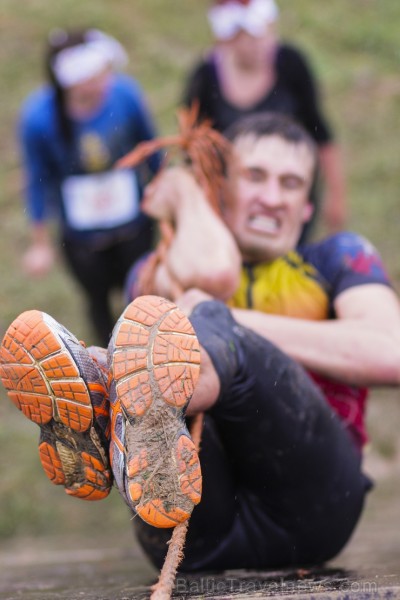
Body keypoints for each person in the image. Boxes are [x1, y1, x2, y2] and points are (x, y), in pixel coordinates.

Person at [2, 113, 400, 574]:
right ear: (219, 188)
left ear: (307, 207)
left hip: (314, 507)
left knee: (204, 320)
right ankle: (122, 407)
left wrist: (233, 323)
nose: (272, 198)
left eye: (291, 184)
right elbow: (211, 272)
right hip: (188, 524)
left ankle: (103, 396)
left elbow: (390, 351)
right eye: (255, 177)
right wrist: (191, 195)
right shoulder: (166, 262)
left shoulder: (338, 258)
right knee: (169, 329)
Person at [19, 28, 161, 346]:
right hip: (82, 242)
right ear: (72, 81)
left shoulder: (125, 96)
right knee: (97, 302)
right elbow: (38, 180)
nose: (104, 82)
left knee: (140, 298)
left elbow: (151, 150)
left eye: (105, 73)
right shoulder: (39, 119)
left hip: (134, 228)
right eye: (95, 76)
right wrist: (40, 241)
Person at [183, 0, 347, 238]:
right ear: (227, 40)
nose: (257, 45)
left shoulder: (291, 65)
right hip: (233, 204)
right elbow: (194, 148)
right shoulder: (205, 79)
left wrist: (336, 194)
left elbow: (319, 131)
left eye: (263, 34)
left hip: (289, 199)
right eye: (247, 38)